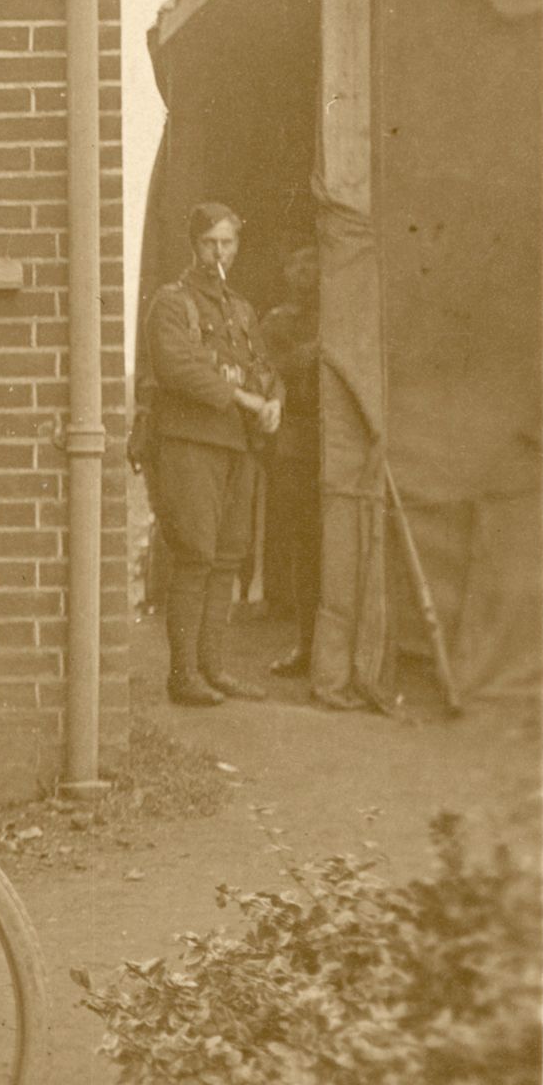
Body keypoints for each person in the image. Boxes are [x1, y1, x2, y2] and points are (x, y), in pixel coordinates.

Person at [141, 201, 281, 707]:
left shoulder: (241, 310)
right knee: (196, 555)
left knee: (227, 558)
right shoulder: (172, 303)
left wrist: (275, 401)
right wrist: (243, 397)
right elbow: (177, 365)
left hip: (236, 447)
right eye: (209, 243)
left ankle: (213, 669)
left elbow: (265, 367)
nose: (218, 252)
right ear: (193, 245)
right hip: (190, 444)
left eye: (228, 243)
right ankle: (183, 676)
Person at [257, 241, 324, 679]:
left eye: (313, 262)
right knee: (305, 544)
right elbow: (283, 366)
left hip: (341, 439)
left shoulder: (346, 314)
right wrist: (325, 344)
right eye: (297, 262)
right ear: (285, 272)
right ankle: (307, 645)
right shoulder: (277, 323)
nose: (306, 272)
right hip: (299, 441)